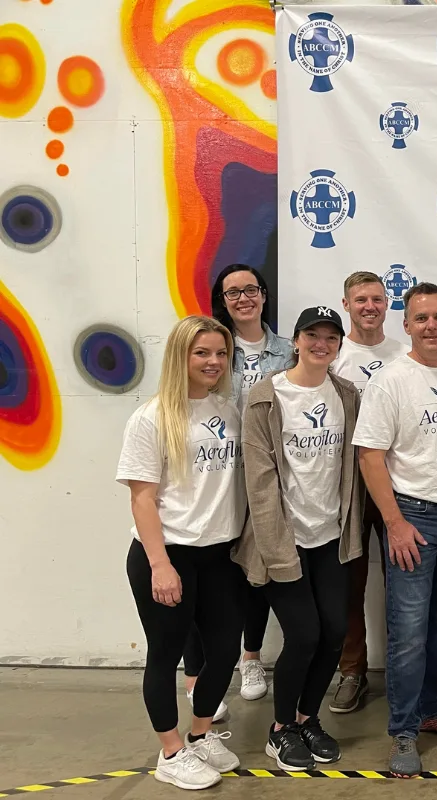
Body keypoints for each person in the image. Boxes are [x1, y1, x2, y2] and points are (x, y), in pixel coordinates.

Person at [352, 282, 437, 777]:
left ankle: (430, 710)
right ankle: (403, 731)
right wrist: (395, 523)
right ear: (406, 325)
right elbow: (370, 456)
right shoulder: (391, 381)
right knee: (407, 632)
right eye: (421, 318)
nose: (431, 325)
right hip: (414, 517)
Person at [117, 315, 245, 790]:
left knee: (225, 650)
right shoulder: (151, 417)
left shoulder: (227, 410)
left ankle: (200, 733)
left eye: (220, 352)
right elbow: (141, 497)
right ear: (180, 356)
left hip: (219, 555)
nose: (213, 361)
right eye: (202, 353)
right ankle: (171, 751)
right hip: (168, 553)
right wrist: (160, 565)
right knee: (165, 653)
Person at [233, 306, 362, 771]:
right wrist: (277, 551)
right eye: (313, 335)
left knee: (334, 633)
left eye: (331, 337)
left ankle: (308, 718)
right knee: (304, 634)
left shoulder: (347, 395)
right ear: (296, 339)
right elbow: (261, 485)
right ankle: (280, 729)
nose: (321, 344)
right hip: (282, 541)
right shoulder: (265, 398)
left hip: (330, 537)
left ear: (339, 345)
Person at [179, 263, 290, 711]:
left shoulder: (288, 350)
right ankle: (198, 672)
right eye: (232, 293)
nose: (243, 298)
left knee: (255, 570)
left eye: (251, 289)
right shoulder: (212, 347)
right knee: (201, 571)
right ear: (220, 301)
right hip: (214, 470)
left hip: (265, 474)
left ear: (264, 295)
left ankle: (251, 656)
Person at [329, 272, 409, 715]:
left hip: (397, 483)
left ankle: (403, 672)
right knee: (349, 583)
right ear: (346, 304)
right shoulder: (334, 355)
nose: (370, 307)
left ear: (387, 304)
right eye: (361, 299)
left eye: (377, 299)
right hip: (347, 486)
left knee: (403, 582)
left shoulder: (403, 354)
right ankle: (352, 670)